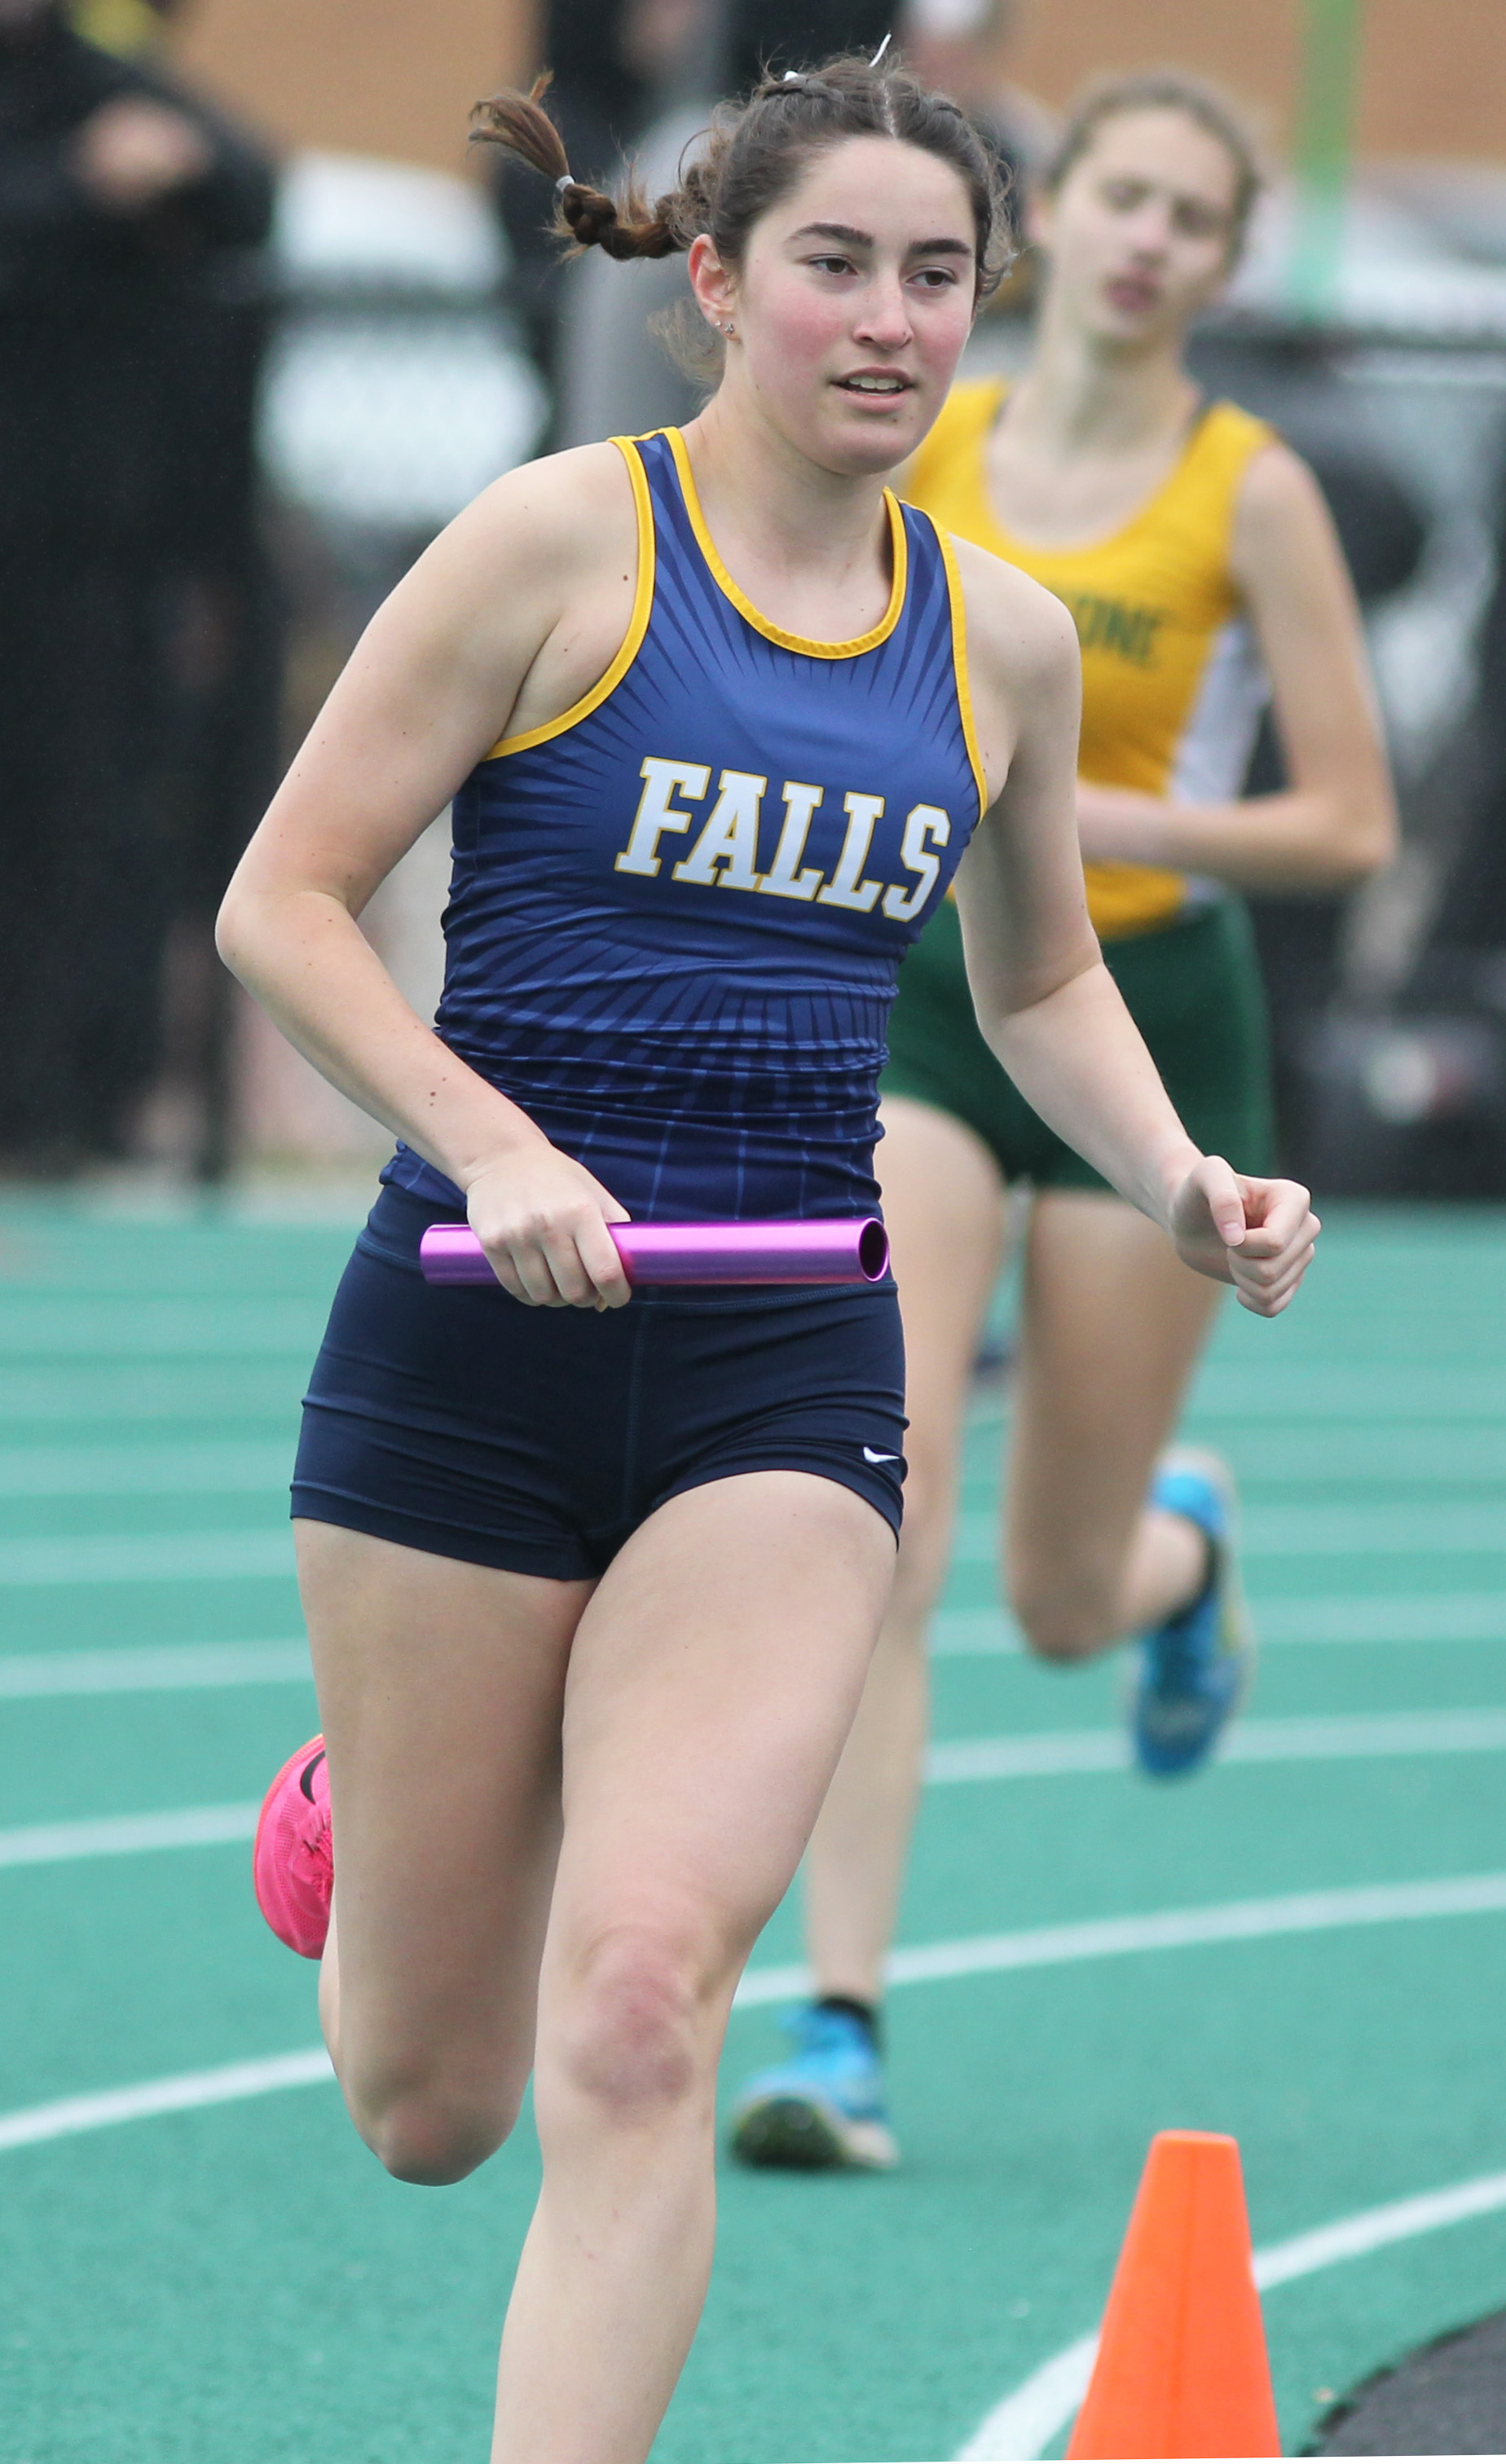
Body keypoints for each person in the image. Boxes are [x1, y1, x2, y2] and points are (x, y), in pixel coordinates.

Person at [218, 53, 1319, 2462]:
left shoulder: (995, 642)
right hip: (461, 1350)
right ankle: (366, 1806)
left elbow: (1035, 980)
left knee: (636, 2011)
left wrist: (1173, 1182)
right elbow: (280, 905)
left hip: (784, 1375)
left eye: (939, 275)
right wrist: (494, 1147)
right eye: (837, 261)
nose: (893, 318)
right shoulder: (551, 545)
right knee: (431, 2106)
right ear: (715, 281)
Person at [727, 68, 1395, 2175]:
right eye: (1120, 196)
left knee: (1057, 1597)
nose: (1148, 242)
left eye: (1195, 219)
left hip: (1152, 1024)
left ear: (1221, 259)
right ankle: (837, 2031)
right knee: (879, 1526)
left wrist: (1079, 810)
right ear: (1055, 218)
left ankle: (1175, 1560)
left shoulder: (1253, 487)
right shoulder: (952, 434)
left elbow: (1351, 824)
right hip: (930, 1009)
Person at [0, 0, 274, 1172]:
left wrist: (172, 166)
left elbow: (246, 182)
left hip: (84, 551)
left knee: (83, 818)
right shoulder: (70, 144)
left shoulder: (98, 82)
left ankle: (61, 1106)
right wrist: (77, 191)